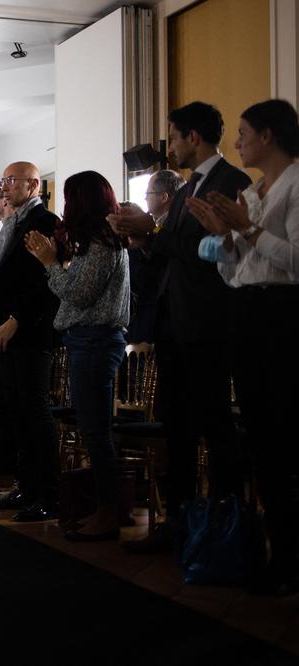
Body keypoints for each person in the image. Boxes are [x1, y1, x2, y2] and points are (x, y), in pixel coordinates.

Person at [109, 101, 251, 552]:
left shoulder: (233, 182)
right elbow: (176, 250)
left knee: (213, 426)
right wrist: (144, 240)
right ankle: (179, 522)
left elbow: (214, 252)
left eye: (173, 137)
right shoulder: (192, 185)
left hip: (209, 322)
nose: (170, 148)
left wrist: (152, 234)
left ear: (193, 136)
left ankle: (224, 527)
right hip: (175, 321)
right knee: (178, 428)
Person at [187, 99, 299, 594]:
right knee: (262, 440)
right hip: (248, 312)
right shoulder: (253, 191)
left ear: (269, 136)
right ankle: (277, 553)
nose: (237, 143)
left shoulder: (296, 183)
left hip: (284, 315)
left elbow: (295, 262)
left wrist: (247, 230)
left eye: (244, 132)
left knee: (284, 436)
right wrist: (225, 238)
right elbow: (238, 271)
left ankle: (293, 559)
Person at [26, 171, 130, 541]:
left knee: (95, 432)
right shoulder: (96, 241)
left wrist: (49, 262)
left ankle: (109, 512)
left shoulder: (104, 243)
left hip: (96, 340)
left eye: (69, 198)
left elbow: (78, 293)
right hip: (88, 339)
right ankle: (108, 507)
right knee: (94, 429)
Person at [0, 162, 62, 522]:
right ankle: (26, 486)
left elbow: (43, 283)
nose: (6, 187)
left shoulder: (45, 222)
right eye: (3, 181)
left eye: (13, 181)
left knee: (34, 413)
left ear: (34, 185)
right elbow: (3, 286)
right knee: (14, 413)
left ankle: (48, 494)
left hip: (31, 331)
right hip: (4, 331)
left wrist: (16, 320)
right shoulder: (12, 222)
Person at [126, 170, 184, 343]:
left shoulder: (171, 226)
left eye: (148, 193)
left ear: (164, 197)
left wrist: (145, 241)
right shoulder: (157, 226)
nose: (145, 199)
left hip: (170, 312)